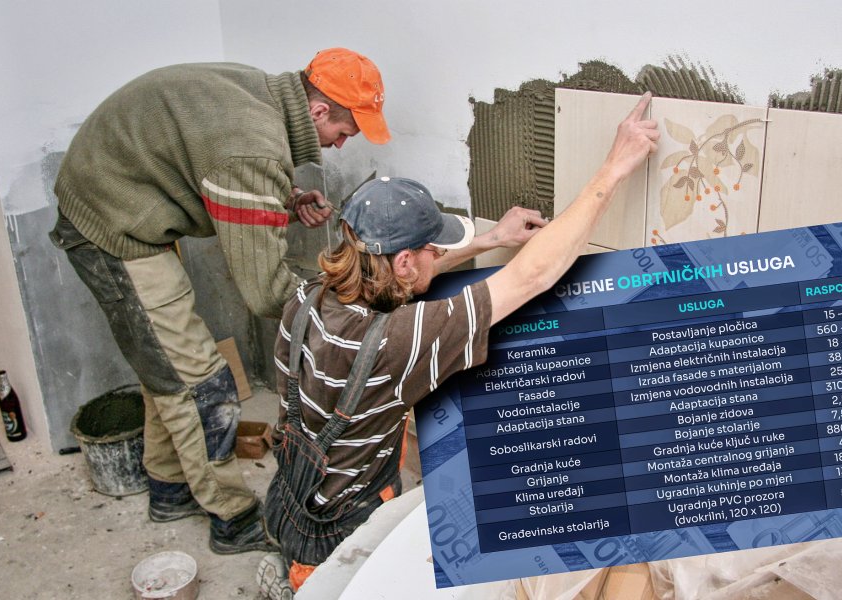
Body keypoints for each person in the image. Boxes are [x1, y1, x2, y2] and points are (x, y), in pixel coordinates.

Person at [257, 92, 659, 596]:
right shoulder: (397, 343)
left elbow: (398, 276)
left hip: (291, 501)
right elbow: (532, 277)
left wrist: (488, 241)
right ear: (405, 261)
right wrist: (614, 168)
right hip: (343, 537)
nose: (439, 254)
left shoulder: (308, 295)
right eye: (432, 249)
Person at [48, 47, 389, 555]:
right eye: (344, 132)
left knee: (167, 364)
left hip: (127, 198)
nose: (340, 145)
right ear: (319, 110)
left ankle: (168, 490)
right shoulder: (253, 146)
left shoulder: (261, 94)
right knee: (203, 385)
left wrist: (286, 200)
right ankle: (233, 518)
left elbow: (217, 161)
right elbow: (266, 292)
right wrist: (347, 301)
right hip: (111, 225)